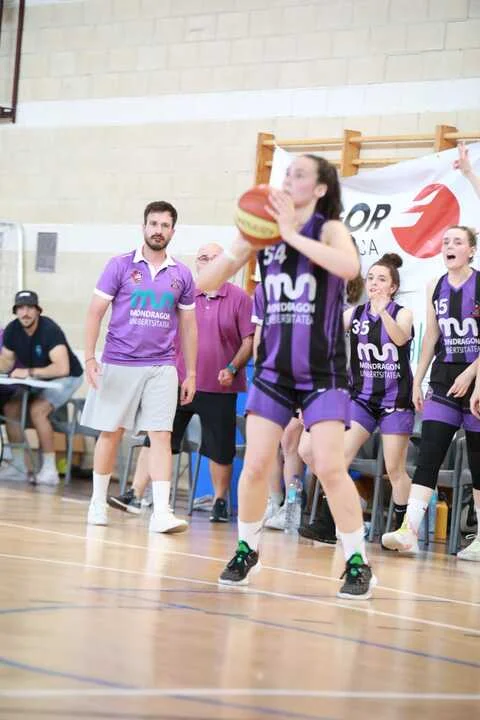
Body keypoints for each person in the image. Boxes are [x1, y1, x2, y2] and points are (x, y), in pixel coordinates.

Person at [197, 155, 376, 599]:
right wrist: (238, 246)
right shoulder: (264, 231)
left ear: (320, 188)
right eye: (287, 173)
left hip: (322, 370)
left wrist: (293, 234)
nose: (289, 179)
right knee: (257, 463)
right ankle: (247, 549)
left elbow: (349, 268)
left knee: (330, 466)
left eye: (299, 174)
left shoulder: (329, 229)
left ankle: (357, 561)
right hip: (274, 370)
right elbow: (205, 281)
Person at [108, 242, 254, 522]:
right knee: (157, 436)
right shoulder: (184, 294)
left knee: (220, 448)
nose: (209, 262)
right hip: (176, 382)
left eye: (215, 258)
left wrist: (233, 367)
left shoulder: (239, 298)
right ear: (196, 263)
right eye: (203, 258)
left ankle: (219, 501)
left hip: (219, 386)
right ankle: (135, 494)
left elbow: (249, 340)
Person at [81, 200, 197, 533]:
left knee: (161, 434)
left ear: (173, 231)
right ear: (144, 227)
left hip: (162, 365)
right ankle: (97, 501)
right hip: (119, 361)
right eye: (153, 224)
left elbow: (189, 327)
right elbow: (94, 313)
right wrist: (90, 358)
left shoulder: (182, 274)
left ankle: (161, 512)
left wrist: (190, 372)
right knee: (111, 431)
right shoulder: (119, 265)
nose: (158, 230)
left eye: (165, 225)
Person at [299, 254, 414, 540]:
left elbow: (400, 338)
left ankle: (403, 530)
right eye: (370, 278)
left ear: (393, 287)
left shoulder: (402, 313)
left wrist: (383, 312)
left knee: (394, 469)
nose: (374, 283)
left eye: (381, 279)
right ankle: (331, 522)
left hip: (395, 400)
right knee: (338, 458)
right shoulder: (355, 314)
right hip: (362, 398)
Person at [382, 226, 480, 558]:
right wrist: (417, 379)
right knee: (429, 454)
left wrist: (472, 375)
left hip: (476, 377)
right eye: (446, 241)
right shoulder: (435, 285)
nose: (449, 246)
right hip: (443, 379)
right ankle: (409, 530)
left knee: (478, 463)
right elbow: (431, 337)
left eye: (457, 241)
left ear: (471, 250)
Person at [0, 291, 83, 485]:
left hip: (68, 377)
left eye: (30, 308)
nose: (25, 312)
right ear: (16, 311)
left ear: (38, 310)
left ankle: (49, 469)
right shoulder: (12, 330)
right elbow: (6, 363)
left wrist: (28, 371)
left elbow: (62, 368)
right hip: (39, 378)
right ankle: (18, 467)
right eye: (20, 308)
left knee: (38, 410)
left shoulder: (49, 330)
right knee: (11, 408)